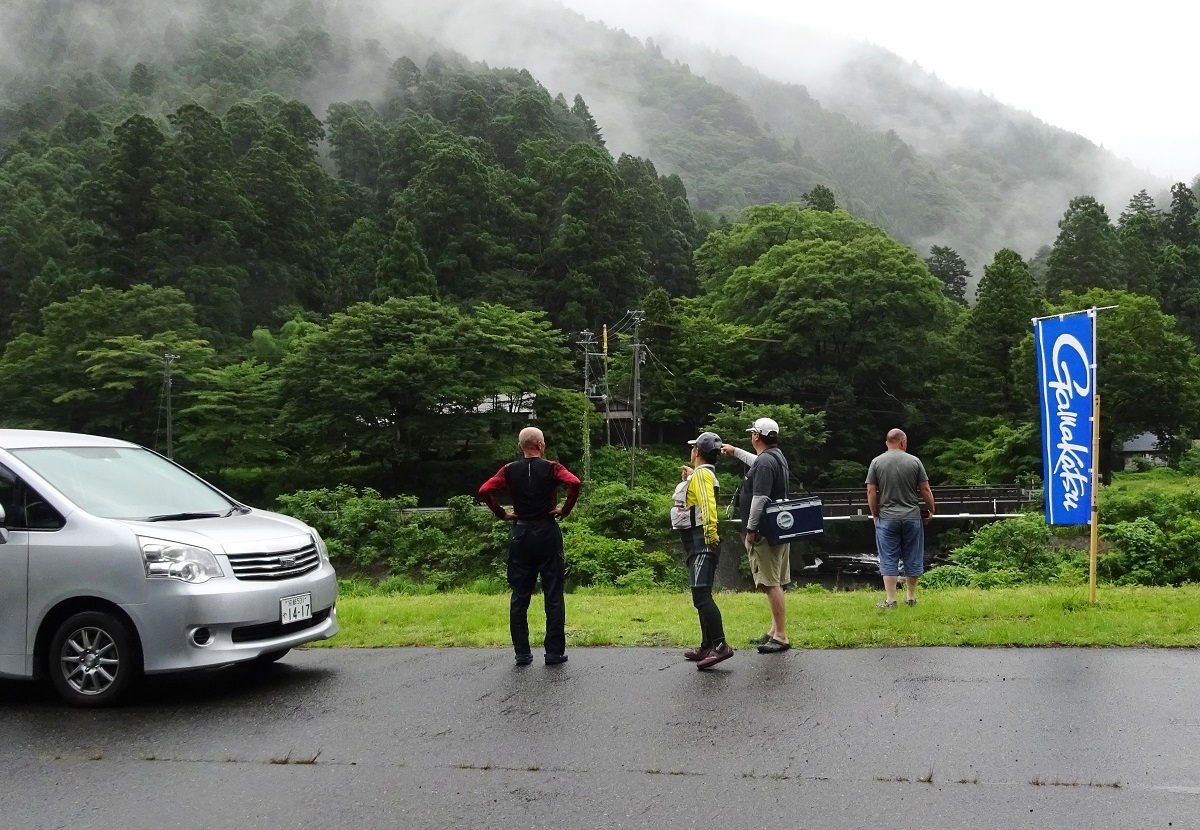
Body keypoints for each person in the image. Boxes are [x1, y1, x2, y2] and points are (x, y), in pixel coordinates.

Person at [478, 426, 581, 666]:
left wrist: (502, 513)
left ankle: (522, 653)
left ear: (520, 446)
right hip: (546, 531)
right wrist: (564, 510)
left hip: (521, 532)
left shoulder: (509, 470)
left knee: (520, 595)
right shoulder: (552, 467)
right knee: (553, 593)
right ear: (541, 445)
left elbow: (485, 490)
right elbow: (574, 483)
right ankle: (554, 653)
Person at [721, 416, 792, 654]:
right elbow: (757, 462)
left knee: (771, 584)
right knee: (777, 581)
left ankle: (780, 636)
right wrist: (736, 451)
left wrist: (751, 529)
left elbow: (760, 498)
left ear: (756, 436)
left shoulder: (764, 463)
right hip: (778, 529)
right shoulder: (775, 457)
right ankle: (773, 631)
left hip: (763, 532)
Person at [673, 432, 734, 670]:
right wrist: (691, 476)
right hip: (696, 540)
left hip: (702, 540)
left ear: (697, 452)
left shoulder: (702, 476)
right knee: (700, 594)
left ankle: (720, 645)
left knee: (701, 594)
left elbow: (708, 505)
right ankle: (707, 644)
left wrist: (710, 535)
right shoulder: (701, 475)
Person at [866, 428, 936, 609]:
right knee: (913, 555)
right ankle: (911, 598)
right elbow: (925, 489)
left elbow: (871, 491)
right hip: (912, 517)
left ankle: (891, 600)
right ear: (902, 442)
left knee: (888, 557)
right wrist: (931, 510)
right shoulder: (914, 461)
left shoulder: (876, 462)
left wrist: (875, 514)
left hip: (887, 518)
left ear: (887, 442)